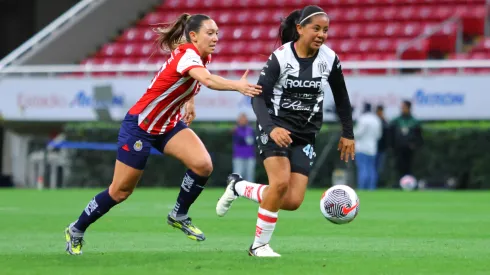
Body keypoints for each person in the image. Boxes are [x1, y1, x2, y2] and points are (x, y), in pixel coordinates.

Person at [64, 13, 262, 255]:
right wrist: (237, 86)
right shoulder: (188, 55)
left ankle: (178, 214)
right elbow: (207, 80)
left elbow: (188, 82)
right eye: (210, 33)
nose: (215, 38)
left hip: (167, 125)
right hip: (140, 127)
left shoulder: (202, 56)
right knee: (120, 191)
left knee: (202, 165)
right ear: (193, 35)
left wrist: (189, 102)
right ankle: (76, 229)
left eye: (217, 33)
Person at [216, 5, 355, 257]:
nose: (321, 34)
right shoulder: (281, 57)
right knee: (279, 183)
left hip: (306, 135)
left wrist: (348, 132)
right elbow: (258, 98)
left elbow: (342, 97)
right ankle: (258, 246)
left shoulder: (330, 59)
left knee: (291, 201)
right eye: (316, 28)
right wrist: (270, 128)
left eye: (325, 30)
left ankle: (238, 187)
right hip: (275, 127)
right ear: (300, 29)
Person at [390, 100, 423, 185]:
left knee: (410, 167)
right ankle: (398, 184)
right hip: (398, 149)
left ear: (409, 108)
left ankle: (410, 184)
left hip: (410, 150)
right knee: (398, 167)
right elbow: (391, 135)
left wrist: (414, 145)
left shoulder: (414, 122)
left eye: (404, 107)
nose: (402, 109)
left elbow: (419, 137)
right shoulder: (396, 121)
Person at [354, 103, 382, 190]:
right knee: (372, 169)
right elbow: (378, 135)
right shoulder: (376, 119)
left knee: (363, 168)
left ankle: (362, 187)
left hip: (362, 148)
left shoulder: (363, 119)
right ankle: (371, 188)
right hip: (372, 148)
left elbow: (357, 133)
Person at [232, 113, 256, 182]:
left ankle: (250, 191)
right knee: (238, 174)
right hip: (238, 155)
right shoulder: (236, 130)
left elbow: (253, 141)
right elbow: (237, 140)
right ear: (238, 121)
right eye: (241, 119)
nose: (243, 121)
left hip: (250, 155)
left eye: (244, 119)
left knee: (250, 175)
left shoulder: (251, 130)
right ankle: (236, 190)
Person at [375, 105, 389, 184]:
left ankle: (376, 183)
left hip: (382, 148)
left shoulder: (384, 121)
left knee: (380, 168)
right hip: (373, 148)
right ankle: (373, 184)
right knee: (373, 168)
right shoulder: (373, 121)